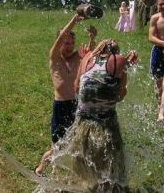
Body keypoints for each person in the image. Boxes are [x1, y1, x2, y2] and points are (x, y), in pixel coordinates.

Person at [42, 39, 130, 193]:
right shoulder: (118, 60)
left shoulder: (86, 59)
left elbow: (76, 88)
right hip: (105, 124)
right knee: (111, 168)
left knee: (83, 165)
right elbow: (120, 95)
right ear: (115, 52)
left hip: (82, 122)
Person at [34, 14, 97, 177]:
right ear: (59, 43)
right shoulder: (54, 58)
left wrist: (92, 38)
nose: (69, 46)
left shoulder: (77, 57)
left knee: (79, 142)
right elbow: (62, 35)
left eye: (71, 43)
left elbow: (91, 54)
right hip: (60, 107)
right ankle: (40, 169)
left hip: (76, 105)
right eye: (65, 43)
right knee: (58, 147)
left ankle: (82, 174)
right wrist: (73, 21)